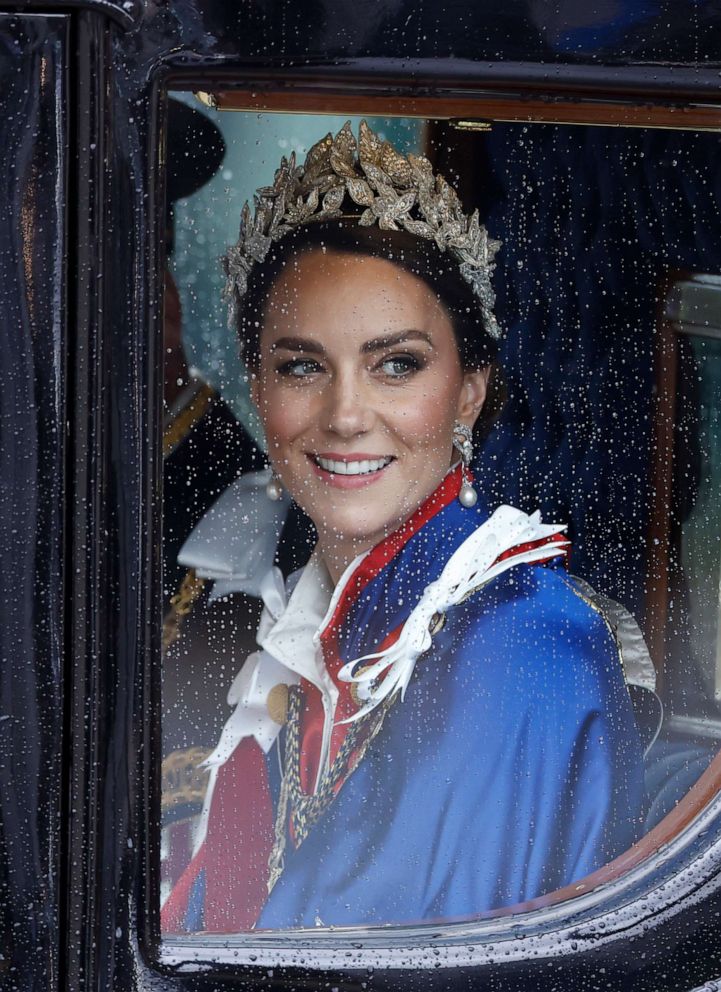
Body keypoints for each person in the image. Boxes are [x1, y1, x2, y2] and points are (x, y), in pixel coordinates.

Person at [161, 121, 651, 933]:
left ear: (468, 393)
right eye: (302, 366)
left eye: (397, 365)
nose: (346, 416)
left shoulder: (523, 646)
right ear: (258, 388)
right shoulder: (323, 631)